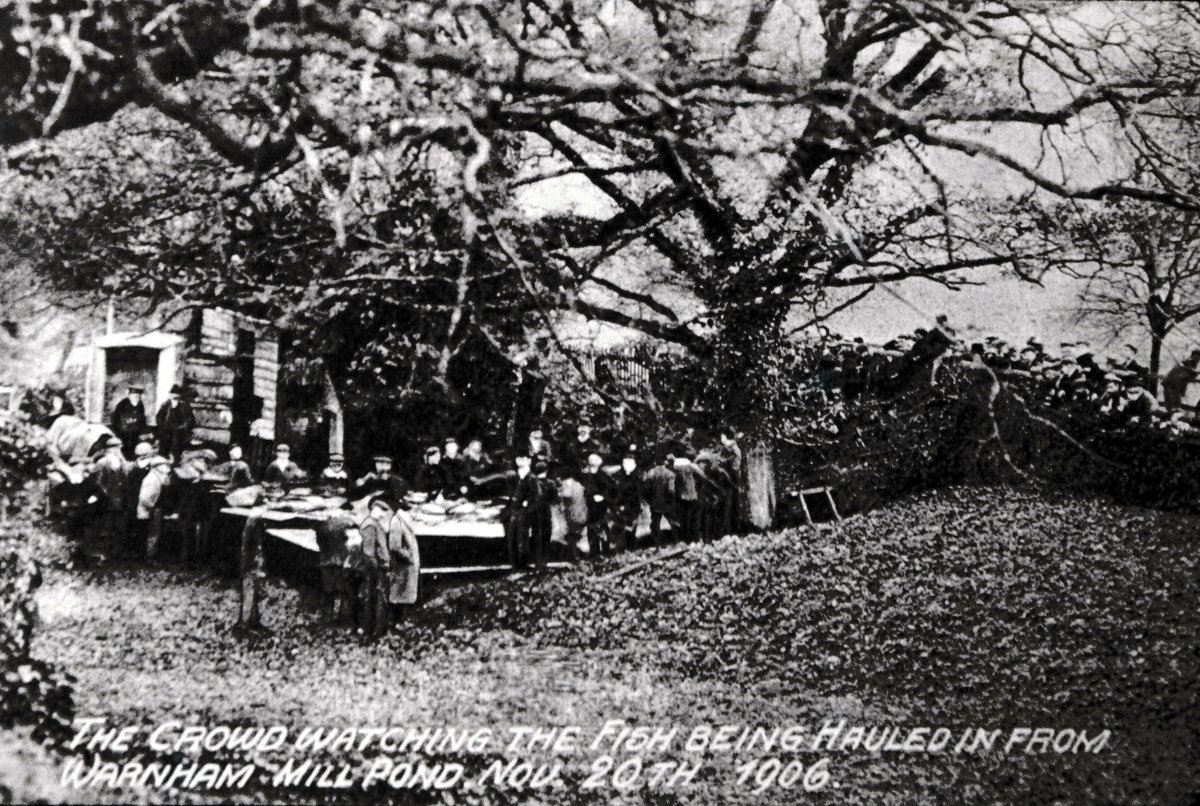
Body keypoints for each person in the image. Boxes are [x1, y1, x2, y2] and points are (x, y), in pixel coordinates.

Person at [356, 495, 397, 638]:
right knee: (377, 599)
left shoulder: (373, 524)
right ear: (373, 509)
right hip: (376, 569)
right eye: (382, 510)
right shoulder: (370, 525)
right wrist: (377, 570)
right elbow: (369, 553)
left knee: (375, 599)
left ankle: (373, 629)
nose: (384, 513)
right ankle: (376, 631)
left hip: (377, 568)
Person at [384, 497, 421, 618]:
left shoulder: (405, 519)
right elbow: (395, 545)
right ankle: (395, 622)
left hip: (407, 563)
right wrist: (408, 556)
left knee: (404, 594)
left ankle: (400, 620)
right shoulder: (397, 520)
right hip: (402, 563)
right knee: (399, 594)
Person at [505, 453, 540, 568]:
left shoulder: (531, 477)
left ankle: (523, 564)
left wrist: (528, 504)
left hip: (524, 512)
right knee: (512, 538)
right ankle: (515, 565)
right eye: (519, 458)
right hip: (514, 510)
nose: (521, 461)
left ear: (529, 461)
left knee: (522, 538)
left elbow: (537, 495)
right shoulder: (513, 476)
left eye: (524, 459)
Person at [138, 454, 173, 558]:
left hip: (153, 508)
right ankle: (149, 556)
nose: (167, 467)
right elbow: (144, 498)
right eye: (164, 465)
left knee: (153, 533)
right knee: (152, 533)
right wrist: (152, 507)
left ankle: (150, 555)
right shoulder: (152, 479)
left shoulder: (158, 477)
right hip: (151, 509)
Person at [579, 452, 615, 557]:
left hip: (601, 505)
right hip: (591, 505)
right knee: (592, 527)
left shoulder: (602, 475)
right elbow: (586, 490)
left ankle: (605, 549)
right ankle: (594, 550)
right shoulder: (588, 475)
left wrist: (603, 496)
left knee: (602, 526)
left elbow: (611, 488)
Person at [609, 452, 643, 551]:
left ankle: (629, 546)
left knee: (630, 525)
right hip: (624, 505)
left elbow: (637, 492)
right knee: (623, 525)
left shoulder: (634, 476)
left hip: (631, 505)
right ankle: (624, 546)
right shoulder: (623, 476)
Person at [671, 449, 706, 543]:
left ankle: (685, 538)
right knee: (695, 518)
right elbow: (703, 476)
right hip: (693, 495)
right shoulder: (691, 466)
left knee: (684, 518)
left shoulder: (674, 467)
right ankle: (695, 538)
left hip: (681, 496)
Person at [643, 453, 676, 546]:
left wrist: (649, 500)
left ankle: (657, 544)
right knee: (672, 521)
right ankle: (677, 540)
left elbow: (645, 489)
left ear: (655, 462)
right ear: (665, 462)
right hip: (667, 502)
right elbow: (671, 490)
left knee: (655, 523)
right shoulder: (670, 474)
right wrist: (672, 500)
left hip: (654, 502)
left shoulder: (650, 473)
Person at [155, 384, 195, 462]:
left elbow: (189, 420)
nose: (174, 399)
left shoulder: (184, 407)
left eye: (176, 397)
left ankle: (176, 460)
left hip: (179, 431)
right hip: (167, 429)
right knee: (163, 440)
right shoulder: (166, 405)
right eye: (172, 396)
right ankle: (163, 458)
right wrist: (162, 425)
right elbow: (159, 417)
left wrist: (181, 427)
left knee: (176, 442)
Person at [110, 386, 147, 457]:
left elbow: (142, 418)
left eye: (138, 396)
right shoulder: (122, 404)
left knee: (135, 448)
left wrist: (142, 430)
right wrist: (118, 432)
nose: (136, 398)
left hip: (135, 433)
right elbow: (115, 419)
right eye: (134, 396)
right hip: (123, 433)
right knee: (125, 449)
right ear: (130, 396)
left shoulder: (140, 405)